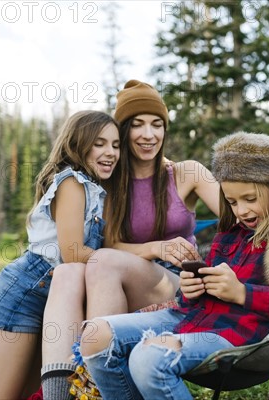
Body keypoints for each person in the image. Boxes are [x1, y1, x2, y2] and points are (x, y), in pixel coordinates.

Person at [79, 131, 269, 399]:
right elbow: (187, 303)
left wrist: (242, 293)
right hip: (190, 319)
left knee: (149, 357)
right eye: (232, 202)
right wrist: (189, 289)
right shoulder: (231, 234)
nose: (241, 211)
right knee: (95, 334)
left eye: (249, 199)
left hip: (238, 335)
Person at [39, 79, 220, 399]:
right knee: (81, 267)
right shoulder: (106, 183)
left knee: (103, 262)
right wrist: (152, 248)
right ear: (122, 131)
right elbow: (101, 245)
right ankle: (67, 390)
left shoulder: (186, 173)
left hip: (180, 286)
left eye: (157, 124)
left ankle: (93, 388)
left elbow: (236, 215)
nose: (149, 135)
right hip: (116, 282)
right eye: (137, 125)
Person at [0, 111, 121, 400]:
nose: (110, 152)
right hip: (19, 299)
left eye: (116, 145)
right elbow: (72, 252)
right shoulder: (72, 183)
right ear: (78, 144)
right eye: (99, 143)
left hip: (42, 303)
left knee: (21, 392)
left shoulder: (97, 190)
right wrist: (122, 260)